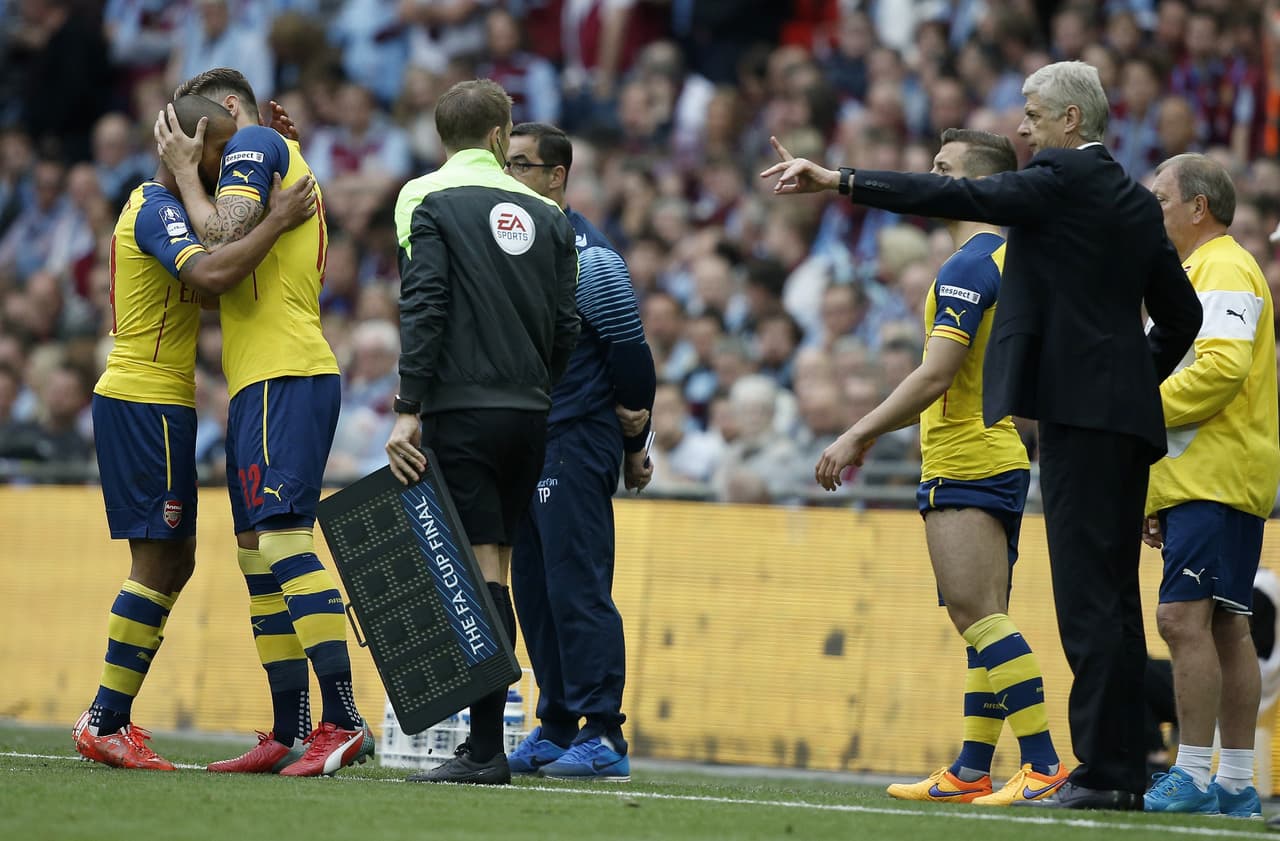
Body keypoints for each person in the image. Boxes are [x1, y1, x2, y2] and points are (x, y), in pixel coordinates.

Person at [763, 60, 1203, 810]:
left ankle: (1095, 770)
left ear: (1071, 122)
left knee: (1086, 602)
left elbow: (954, 192)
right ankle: (1121, 766)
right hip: (1125, 422)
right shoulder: (1133, 200)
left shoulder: (1059, 183)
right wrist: (1128, 377)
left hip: (1079, 420)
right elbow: (1181, 316)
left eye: (1032, 114)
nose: (1021, 127)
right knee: (1117, 603)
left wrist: (839, 180)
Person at [814, 129, 1067, 806]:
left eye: (945, 170)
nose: (933, 179)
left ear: (977, 185)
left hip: (964, 454)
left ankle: (1042, 761)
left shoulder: (967, 266)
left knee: (976, 616)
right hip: (1005, 450)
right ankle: (971, 764)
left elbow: (935, 375)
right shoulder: (1023, 260)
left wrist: (857, 433)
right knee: (985, 615)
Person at [73, 94, 319, 770]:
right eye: (226, 151)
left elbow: (218, 288)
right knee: (158, 561)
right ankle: (105, 717)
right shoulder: (154, 208)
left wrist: (278, 175)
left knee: (173, 560)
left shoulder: (167, 210)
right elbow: (213, 269)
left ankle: (108, 716)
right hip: (141, 399)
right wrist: (274, 218)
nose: (231, 165)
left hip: (159, 400)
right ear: (197, 142)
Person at [155, 68, 371, 777]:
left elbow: (220, 230)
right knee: (257, 557)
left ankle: (340, 719)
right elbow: (229, 261)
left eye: (202, 146)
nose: (206, 163)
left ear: (225, 115)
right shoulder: (268, 147)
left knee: (282, 541)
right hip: (260, 380)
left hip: (287, 372)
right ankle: (287, 726)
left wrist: (188, 178)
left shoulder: (252, 138)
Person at [384, 80, 581, 785]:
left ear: (445, 137)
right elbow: (566, 322)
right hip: (529, 411)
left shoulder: (423, 197)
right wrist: (539, 386)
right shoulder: (549, 212)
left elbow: (425, 301)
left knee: (475, 570)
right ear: (501, 136)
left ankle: (486, 750)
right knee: (495, 561)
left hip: (461, 409)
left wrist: (409, 403)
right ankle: (487, 744)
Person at [501, 121, 656, 781]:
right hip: (529, 439)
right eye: (504, 164)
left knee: (576, 585)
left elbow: (635, 365)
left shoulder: (590, 258)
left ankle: (606, 733)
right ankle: (557, 722)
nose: (509, 178)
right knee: (535, 588)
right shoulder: (513, 249)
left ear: (557, 176)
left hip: (576, 436)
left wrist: (634, 442)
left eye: (521, 165)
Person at [1140, 153, 1278, 818]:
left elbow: (1220, 370)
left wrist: (1138, 407)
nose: (1151, 209)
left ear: (1198, 206)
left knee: (1182, 619)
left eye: (1160, 198)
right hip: (1205, 475)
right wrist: (1154, 489)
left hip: (1217, 476)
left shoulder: (1221, 266)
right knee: (1227, 625)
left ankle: (1193, 772)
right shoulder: (1199, 270)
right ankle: (1236, 784)